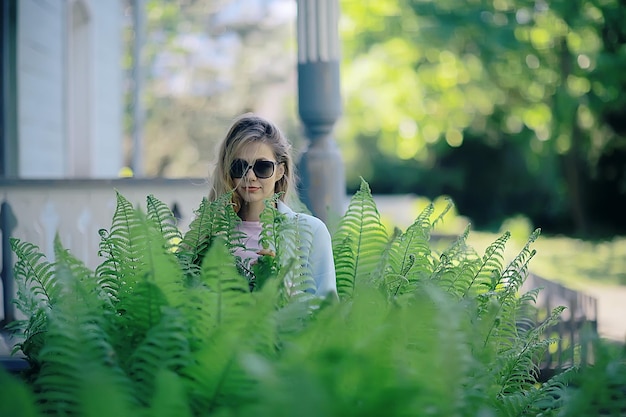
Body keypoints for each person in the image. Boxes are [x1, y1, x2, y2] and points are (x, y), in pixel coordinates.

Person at [208, 113, 337, 298]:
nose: (250, 176)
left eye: (262, 167)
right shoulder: (211, 234)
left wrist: (279, 287)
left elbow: (328, 311)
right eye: (239, 166)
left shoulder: (311, 232)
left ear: (280, 171)